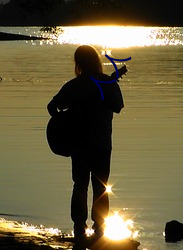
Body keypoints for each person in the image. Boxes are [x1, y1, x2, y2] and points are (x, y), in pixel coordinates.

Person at [47, 45, 124, 244]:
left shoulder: (75, 85)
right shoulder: (106, 82)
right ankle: (99, 229)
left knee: (80, 185)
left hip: (79, 144)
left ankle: (79, 228)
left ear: (78, 63)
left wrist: (63, 121)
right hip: (101, 144)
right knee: (100, 187)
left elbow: (51, 106)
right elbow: (118, 107)